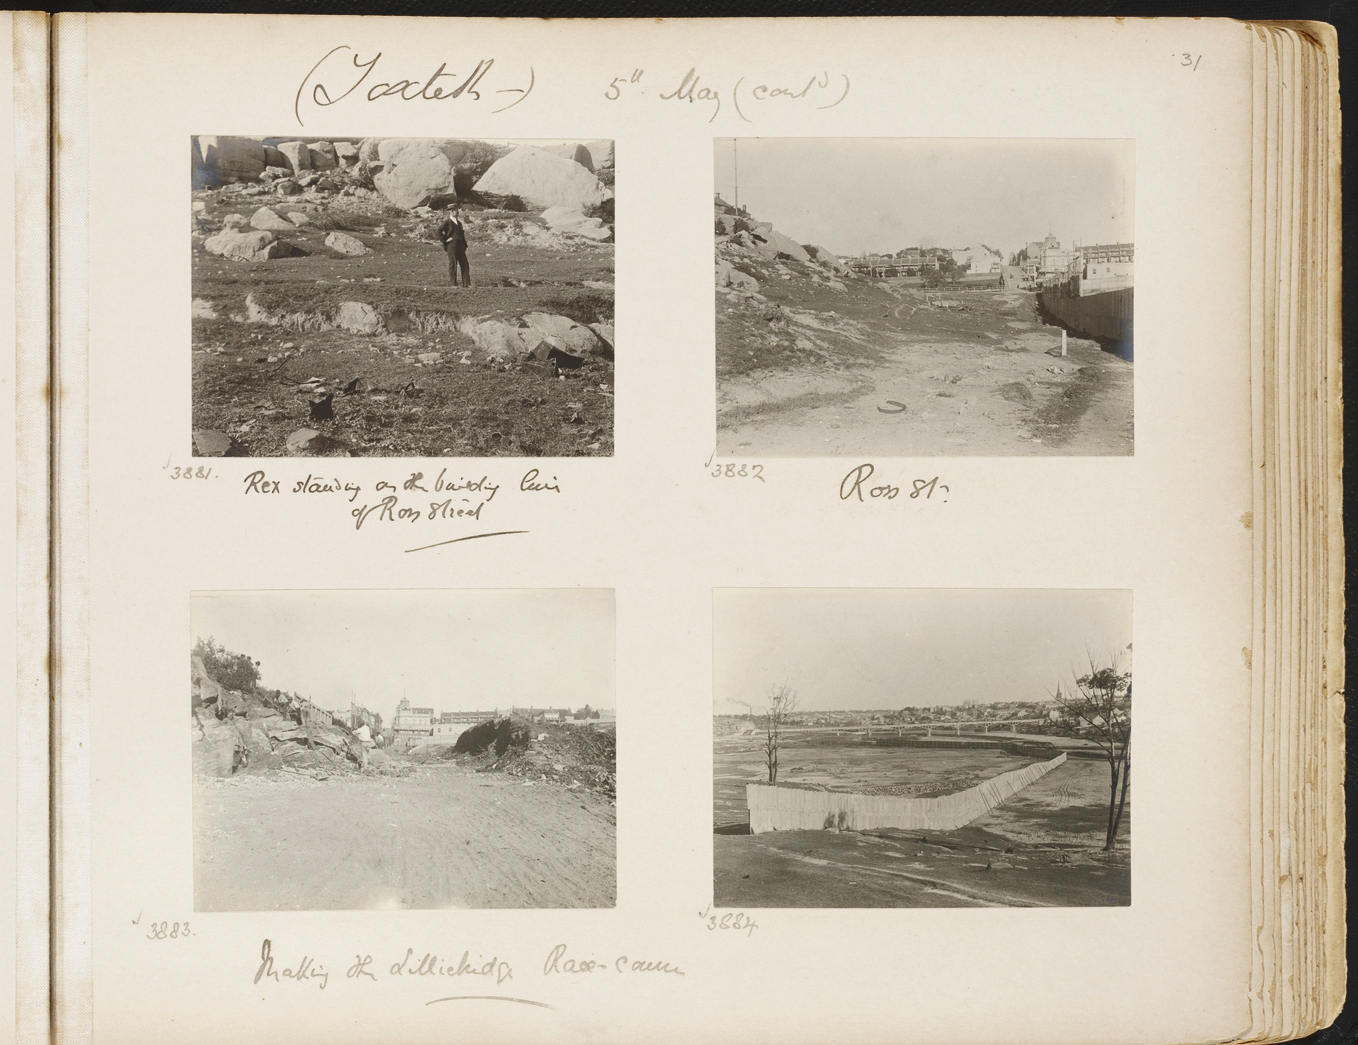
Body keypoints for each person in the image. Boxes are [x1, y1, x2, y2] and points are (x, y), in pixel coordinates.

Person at [437, 205, 471, 287]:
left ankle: (466, 284)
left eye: (457, 210)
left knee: (465, 264)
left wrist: (464, 245)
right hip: (451, 246)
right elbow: (438, 231)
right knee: (453, 264)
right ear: (451, 211)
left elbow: (462, 235)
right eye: (456, 210)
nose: (458, 212)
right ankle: (453, 284)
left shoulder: (459, 223)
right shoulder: (447, 222)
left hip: (460, 246)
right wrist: (445, 240)